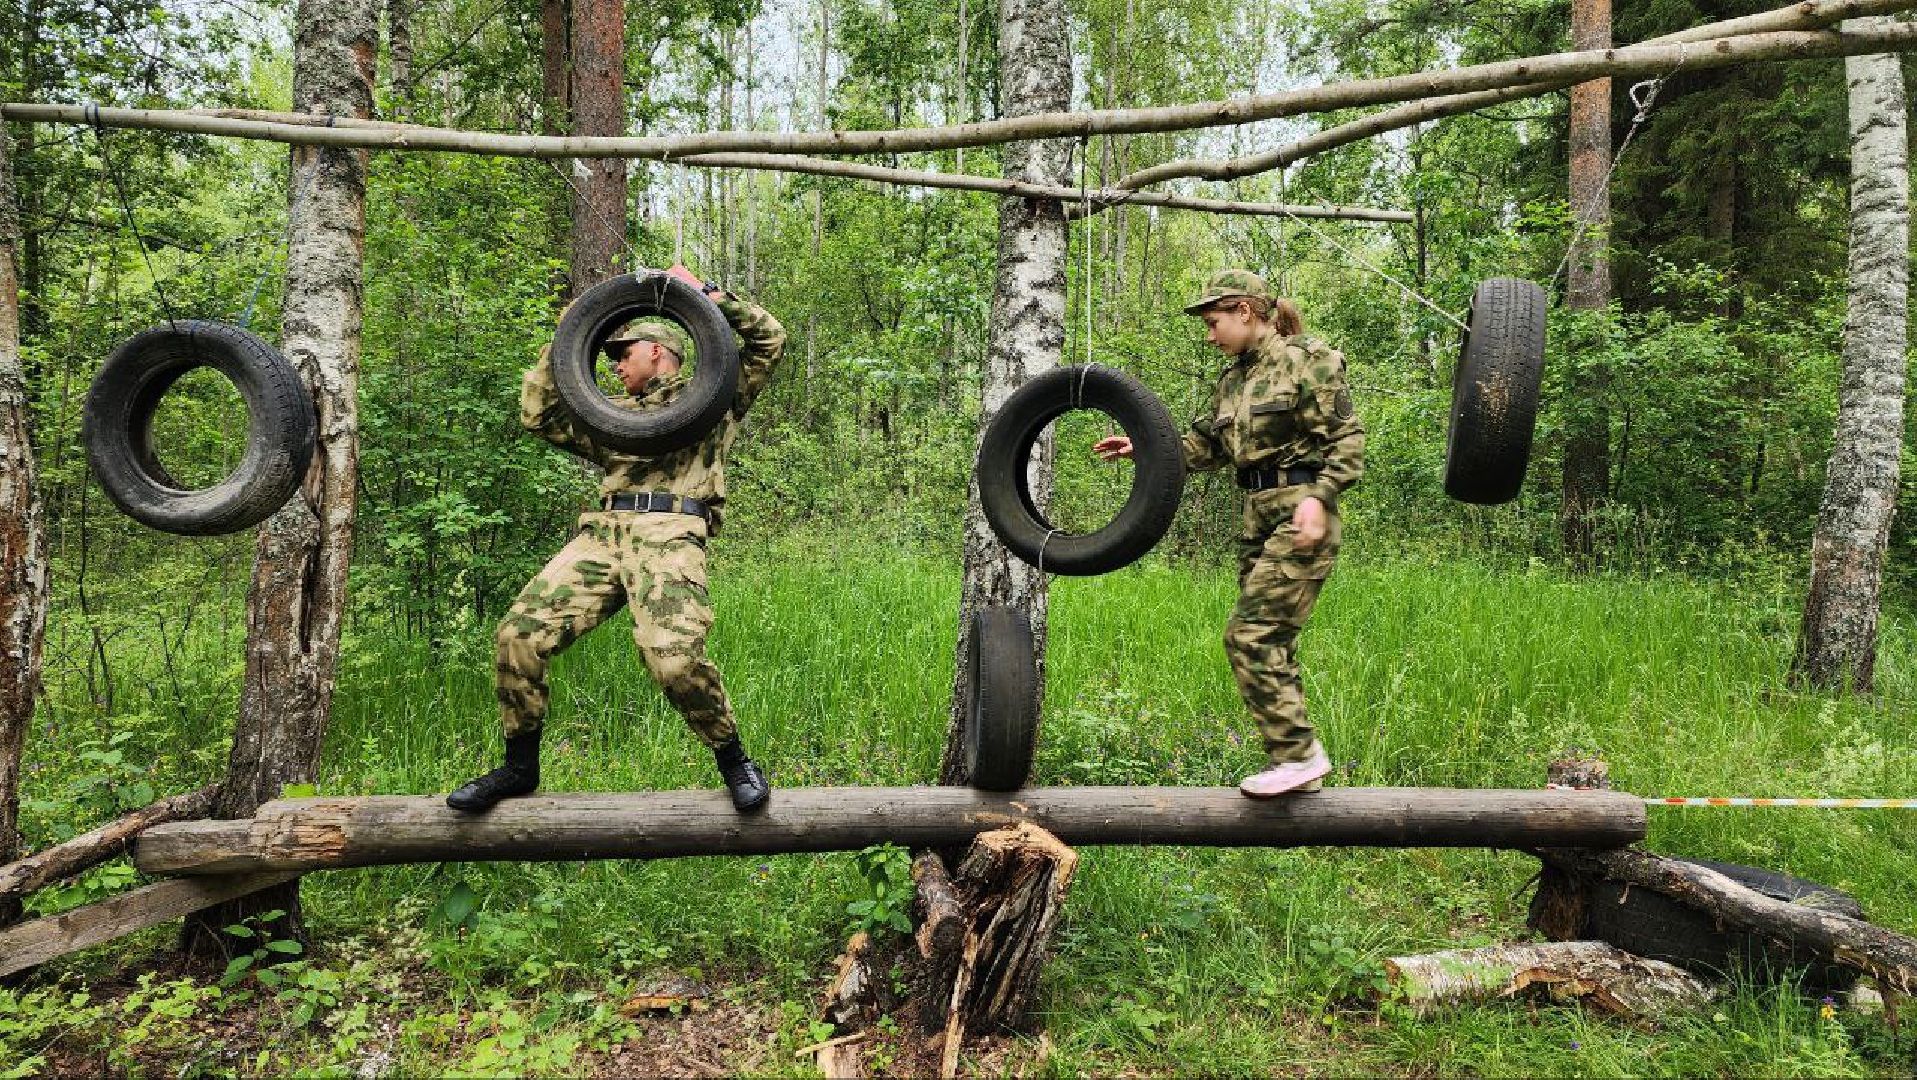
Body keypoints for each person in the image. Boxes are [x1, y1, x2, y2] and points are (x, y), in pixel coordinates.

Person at [447, 264, 785, 814]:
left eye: (622, 354)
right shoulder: (608, 415)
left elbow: (769, 338)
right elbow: (537, 416)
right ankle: (519, 767)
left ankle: (734, 759)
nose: (614, 365)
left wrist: (703, 293)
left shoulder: (716, 397)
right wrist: (566, 335)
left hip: (671, 532)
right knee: (518, 636)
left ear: (656, 350)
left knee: (674, 661)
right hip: (603, 535)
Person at [1094, 269, 1364, 797]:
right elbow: (1206, 447)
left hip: (1302, 514)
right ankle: (1298, 767)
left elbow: (1347, 440)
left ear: (1244, 311)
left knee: (1249, 635)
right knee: (1271, 642)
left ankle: (1299, 756)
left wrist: (1321, 496)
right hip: (1257, 518)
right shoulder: (1233, 380)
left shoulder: (1308, 358)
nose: (1209, 335)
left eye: (1213, 322)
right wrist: (1143, 448)